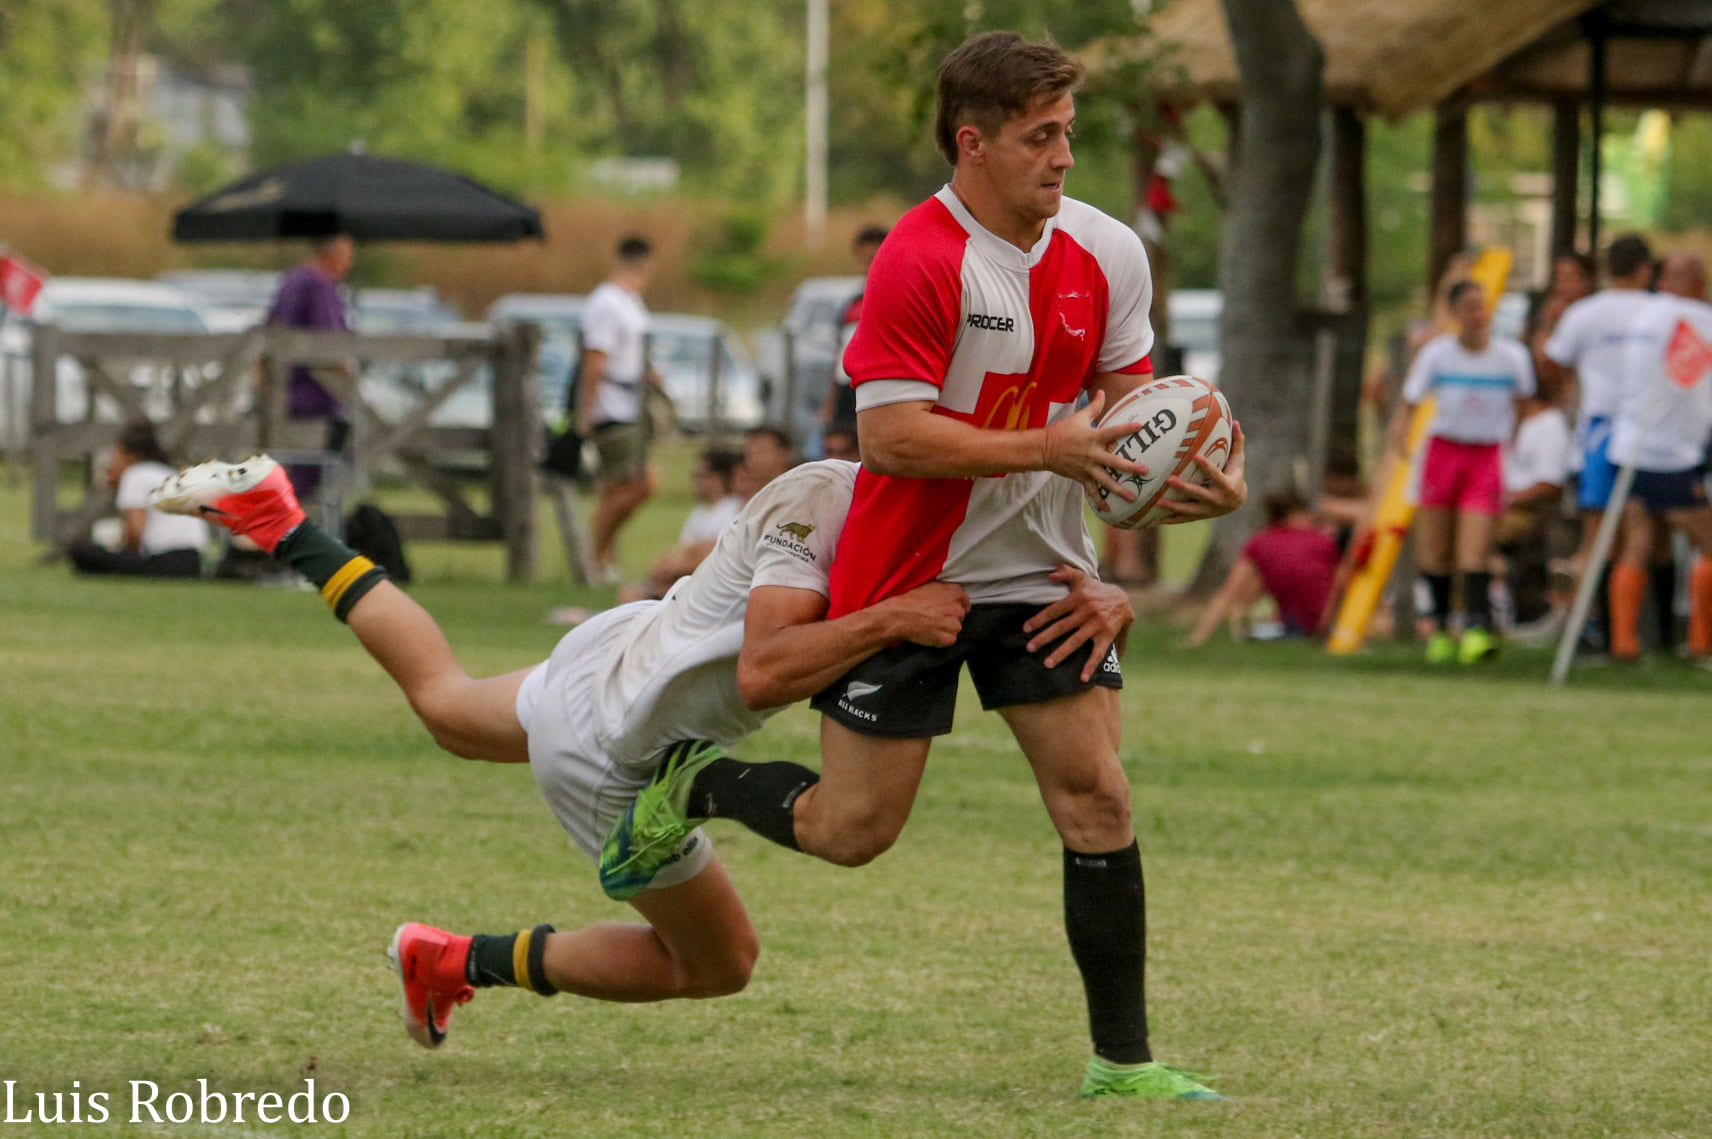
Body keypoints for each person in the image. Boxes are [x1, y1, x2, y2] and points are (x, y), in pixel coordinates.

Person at [599, 31, 1245, 1102]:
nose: (1063, 159)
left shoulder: (1107, 253)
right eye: (1041, 138)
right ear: (971, 142)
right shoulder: (917, 257)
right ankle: (697, 777)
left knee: (1097, 798)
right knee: (853, 832)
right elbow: (891, 439)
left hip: (1043, 575)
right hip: (908, 574)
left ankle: (1120, 1061)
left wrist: (1190, 490)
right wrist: (1049, 447)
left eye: (1069, 135)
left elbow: (1130, 423)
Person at [151, 452, 1119, 1048]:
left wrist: (1104, 591)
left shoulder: (910, 495)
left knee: (445, 706)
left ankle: (279, 517)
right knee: (715, 962)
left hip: (618, 651)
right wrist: (890, 617)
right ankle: (456, 958)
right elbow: (767, 668)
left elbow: (1017, 569)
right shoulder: (818, 506)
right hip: (621, 743)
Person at [1398, 280, 1535, 663]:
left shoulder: (1512, 357)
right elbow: (1409, 403)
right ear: (1456, 314)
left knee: (1475, 549)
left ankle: (1476, 630)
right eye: (1470, 307)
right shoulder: (1437, 355)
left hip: (1485, 455)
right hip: (1443, 452)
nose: (1479, 315)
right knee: (1437, 547)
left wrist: (1513, 441)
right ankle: (1440, 631)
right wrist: (1400, 439)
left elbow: (1522, 404)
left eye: (1483, 306)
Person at [1540, 234, 1659, 645]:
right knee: (1641, 530)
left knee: (1598, 535)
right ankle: (1630, 636)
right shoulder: (1660, 312)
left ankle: (1590, 630)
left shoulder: (1584, 314)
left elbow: (1552, 364)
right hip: (1650, 432)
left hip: (1598, 433)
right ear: (1645, 269)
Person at [1605, 251, 1712, 663]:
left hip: (1629, 446)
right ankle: (1701, 642)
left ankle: (1624, 642)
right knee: (1708, 542)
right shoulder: (1696, 318)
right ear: (1698, 283)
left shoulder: (1644, 315)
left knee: (1638, 541)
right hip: (1672, 454)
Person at [580, 235, 661, 583]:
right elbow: (595, 361)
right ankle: (593, 552)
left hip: (632, 405)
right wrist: (585, 414)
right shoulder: (606, 303)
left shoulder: (631, 302)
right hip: (612, 407)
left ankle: (603, 555)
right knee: (639, 483)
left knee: (618, 487)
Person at [1181, 488, 1339, 647]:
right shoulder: (1322, 540)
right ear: (1296, 514)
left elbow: (1228, 592)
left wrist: (1199, 635)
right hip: (1333, 622)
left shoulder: (1260, 542)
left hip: (1295, 623)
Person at [265, 234, 355, 501]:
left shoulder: (291, 280)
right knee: (317, 479)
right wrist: (350, 380)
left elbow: (268, 331)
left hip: (283, 395)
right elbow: (329, 345)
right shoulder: (320, 286)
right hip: (317, 396)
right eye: (348, 255)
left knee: (290, 472)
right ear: (334, 254)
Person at [68, 419, 208, 578]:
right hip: (193, 561)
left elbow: (135, 533)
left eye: (116, 454)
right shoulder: (167, 473)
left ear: (130, 455)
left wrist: (119, 552)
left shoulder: (134, 475)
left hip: (165, 560)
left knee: (82, 552)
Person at [622, 449, 744, 603]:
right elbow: (683, 549)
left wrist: (675, 568)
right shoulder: (699, 513)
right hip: (684, 579)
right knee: (630, 592)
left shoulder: (732, 509)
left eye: (701, 476)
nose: (695, 481)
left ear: (718, 478)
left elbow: (717, 553)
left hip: (706, 584)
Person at [817, 224, 889, 447]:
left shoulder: (893, 299)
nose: (868, 265)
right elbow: (839, 353)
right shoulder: (854, 303)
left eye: (874, 257)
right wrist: (830, 401)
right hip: (845, 387)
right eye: (864, 258)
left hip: (874, 386)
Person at [734, 425, 795, 500]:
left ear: (784, 453)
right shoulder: (744, 501)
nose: (754, 458)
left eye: (761, 451)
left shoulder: (801, 491)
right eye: (749, 453)